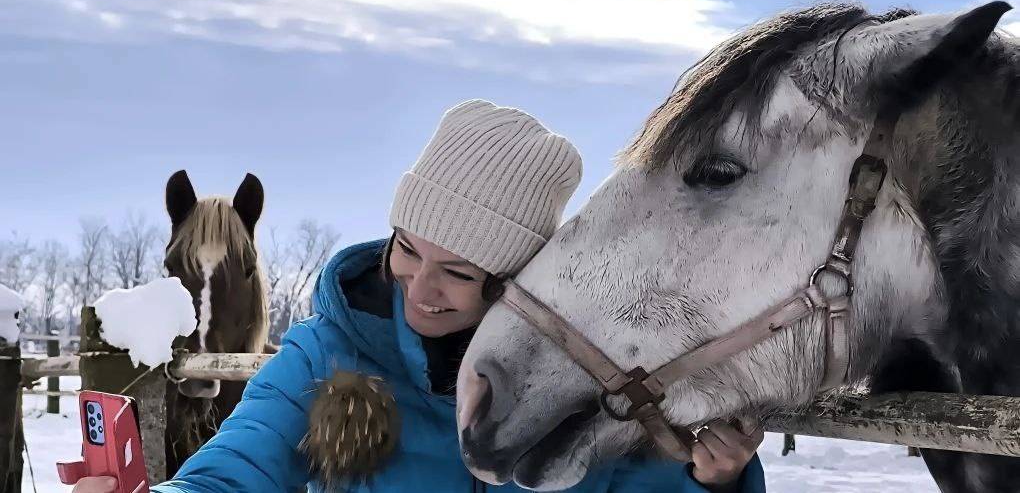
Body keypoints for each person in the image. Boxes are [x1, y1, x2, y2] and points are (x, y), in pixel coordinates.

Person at [73, 99, 767, 493]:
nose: (420, 288)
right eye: (407, 248)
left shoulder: (583, 382)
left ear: (513, 278)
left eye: (460, 273)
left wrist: (716, 481)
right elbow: (237, 469)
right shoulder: (328, 352)